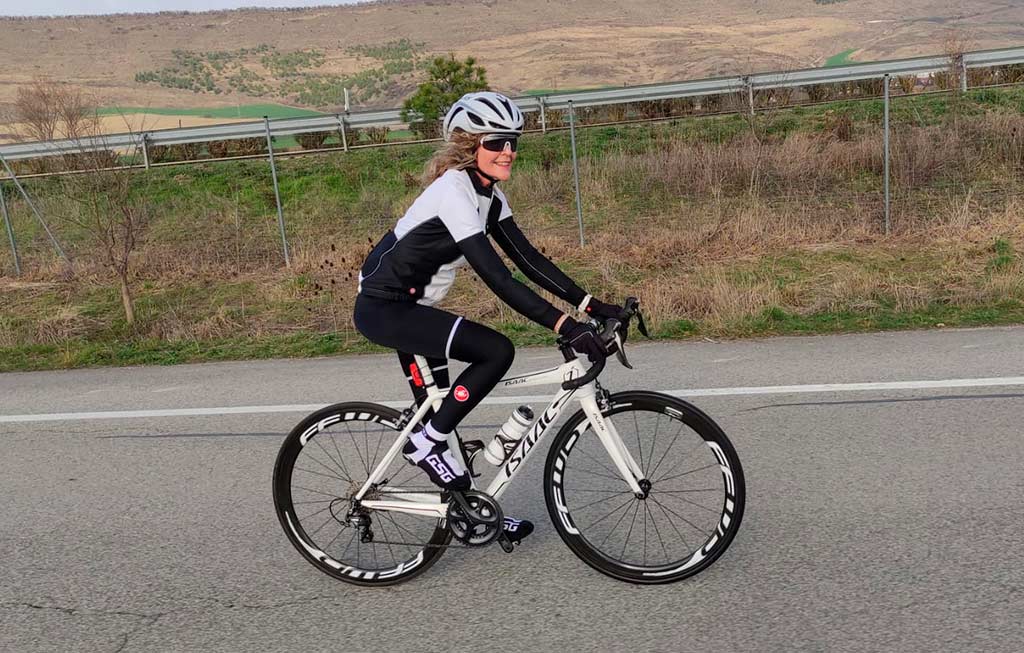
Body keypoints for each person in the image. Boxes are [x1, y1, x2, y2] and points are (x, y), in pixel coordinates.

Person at [353, 91, 624, 544]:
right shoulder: (453, 192)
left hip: (413, 307)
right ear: (469, 145)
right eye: (497, 142)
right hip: (385, 308)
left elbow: (528, 260)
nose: (509, 151)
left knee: (445, 406)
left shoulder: (489, 195)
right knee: (495, 351)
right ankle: (426, 443)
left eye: (513, 141)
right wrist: (564, 326)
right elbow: (498, 277)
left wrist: (591, 305)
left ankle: (471, 510)